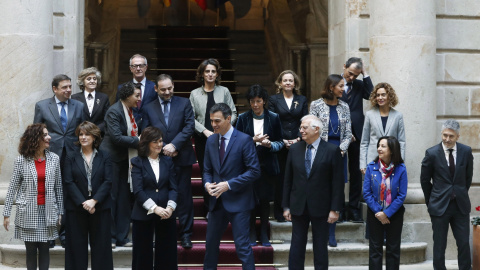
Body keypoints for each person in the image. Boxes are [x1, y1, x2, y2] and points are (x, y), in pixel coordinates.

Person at [203, 103, 260, 270]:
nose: (213, 125)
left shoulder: (244, 139)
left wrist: (228, 185)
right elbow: (207, 170)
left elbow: (254, 171)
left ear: (229, 119)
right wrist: (207, 184)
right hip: (216, 202)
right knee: (210, 246)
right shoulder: (211, 140)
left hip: (239, 202)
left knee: (242, 247)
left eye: (217, 121)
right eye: (211, 121)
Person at [283, 115, 344, 270]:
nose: (301, 131)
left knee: (320, 247)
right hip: (298, 205)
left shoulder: (332, 150)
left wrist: (334, 209)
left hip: (322, 207)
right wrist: (286, 206)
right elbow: (288, 180)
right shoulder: (295, 149)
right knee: (296, 247)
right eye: (300, 127)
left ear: (316, 129)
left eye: (304, 127)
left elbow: (337, 183)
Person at [141, 74, 196, 248]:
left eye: (170, 88)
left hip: (181, 156)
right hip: (159, 158)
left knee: (184, 195)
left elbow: (189, 126)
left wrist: (174, 145)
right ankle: (165, 232)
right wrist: (161, 148)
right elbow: (147, 131)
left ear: (173, 86)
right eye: (163, 89)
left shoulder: (184, 103)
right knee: (162, 195)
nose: (167, 92)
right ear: (156, 89)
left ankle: (186, 233)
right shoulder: (148, 107)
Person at [33, 74, 85, 248]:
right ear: (55, 89)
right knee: (50, 193)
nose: (69, 90)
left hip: (73, 155)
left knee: (69, 193)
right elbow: (36, 132)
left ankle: (65, 234)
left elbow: (83, 131)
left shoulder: (79, 106)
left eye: (70, 86)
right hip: (49, 156)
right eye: (64, 87)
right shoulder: (42, 106)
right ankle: (49, 234)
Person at [3, 123, 63, 270]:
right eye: (45, 135)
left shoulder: (54, 159)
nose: (49, 137)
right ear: (36, 138)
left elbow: (58, 187)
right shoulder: (21, 160)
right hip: (27, 212)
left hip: (47, 211)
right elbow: (12, 188)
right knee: (30, 252)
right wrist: (6, 214)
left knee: (44, 250)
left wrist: (60, 211)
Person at [421, 119, 474, 270]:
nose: (447, 139)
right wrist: (431, 201)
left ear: (458, 136)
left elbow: (467, 178)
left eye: (451, 136)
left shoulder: (466, 151)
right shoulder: (431, 153)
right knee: (439, 244)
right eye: (445, 135)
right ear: (441, 134)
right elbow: (425, 181)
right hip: (439, 206)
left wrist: (459, 192)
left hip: (460, 206)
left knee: (463, 243)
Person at [236, 84, 284, 246]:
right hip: (248, 166)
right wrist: (252, 141)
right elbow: (236, 144)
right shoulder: (242, 119)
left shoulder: (274, 117)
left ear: (264, 101)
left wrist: (270, 145)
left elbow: (281, 142)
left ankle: (263, 232)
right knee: (250, 200)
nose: (255, 105)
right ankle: (250, 232)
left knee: (264, 201)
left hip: (267, 165)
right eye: (252, 101)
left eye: (258, 101)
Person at [189, 58, 237, 215]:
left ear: (217, 74)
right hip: (204, 139)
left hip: (224, 138)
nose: (210, 74)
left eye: (213, 71)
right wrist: (204, 131)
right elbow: (190, 118)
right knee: (207, 172)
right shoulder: (194, 94)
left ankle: (225, 206)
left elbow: (233, 113)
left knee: (225, 171)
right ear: (202, 74)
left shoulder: (224, 91)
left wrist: (225, 127)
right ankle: (210, 208)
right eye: (207, 71)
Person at [63, 121, 113, 270]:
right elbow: (69, 182)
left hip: (100, 207)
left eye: (87, 134)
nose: (83, 137)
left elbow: (108, 181)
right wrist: (84, 202)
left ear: (94, 136)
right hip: (77, 208)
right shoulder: (70, 156)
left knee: (102, 248)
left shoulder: (105, 156)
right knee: (76, 249)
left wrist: (94, 201)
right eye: (81, 134)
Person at [309, 74, 352, 247]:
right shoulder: (316, 105)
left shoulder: (345, 106)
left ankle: (332, 233)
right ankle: (320, 232)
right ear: (331, 87)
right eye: (341, 86)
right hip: (320, 153)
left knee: (336, 191)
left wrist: (341, 149)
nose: (343, 89)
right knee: (320, 191)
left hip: (339, 153)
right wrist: (323, 151)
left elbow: (349, 133)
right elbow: (311, 129)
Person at [130, 127, 178, 270]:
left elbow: (173, 188)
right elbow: (138, 191)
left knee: (167, 255)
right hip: (144, 213)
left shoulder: (168, 161)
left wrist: (170, 207)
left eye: (161, 141)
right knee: (142, 255)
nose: (159, 144)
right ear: (146, 143)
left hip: (166, 214)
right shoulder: (137, 162)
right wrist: (155, 208)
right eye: (155, 142)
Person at [100, 82, 141, 248]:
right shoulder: (114, 111)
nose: (139, 99)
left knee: (124, 199)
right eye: (136, 95)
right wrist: (139, 141)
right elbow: (116, 138)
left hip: (124, 160)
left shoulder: (130, 110)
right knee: (112, 198)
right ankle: (110, 237)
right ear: (127, 96)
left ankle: (122, 238)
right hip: (111, 159)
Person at [268, 70, 308, 222]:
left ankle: (296, 210)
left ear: (295, 83)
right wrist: (282, 140)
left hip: (299, 143)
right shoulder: (273, 99)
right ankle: (280, 211)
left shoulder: (302, 99)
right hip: (280, 144)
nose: (288, 83)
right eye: (285, 80)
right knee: (281, 179)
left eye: (291, 80)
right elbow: (271, 121)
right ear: (280, 83)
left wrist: (299, 139)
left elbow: (305, 120)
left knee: (297, 177)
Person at [363, 136, 407, 270]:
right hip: (375, 213)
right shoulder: (371, 167)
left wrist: (387, 213)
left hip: (395, 214)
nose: (379, 149)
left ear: (392, 150)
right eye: (379, 146)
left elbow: (402, 195)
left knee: (393, 249)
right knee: (375, 249)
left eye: (383, 146)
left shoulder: (401, 169)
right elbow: (366, 193)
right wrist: (379, 212)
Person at [340, 57, 373, 222]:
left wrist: (365, 74)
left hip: (357, 134)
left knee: (356, 172)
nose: (352, 78)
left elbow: (371, 95)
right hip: (337, 134)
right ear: (344, 67)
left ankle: (354, 209)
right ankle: (338, 208)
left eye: (356, 75)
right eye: (351, 73)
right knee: (338, 172)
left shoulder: (360, 85)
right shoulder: (334, 81)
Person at [360, 82, 405, 173]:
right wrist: (363, 164)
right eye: (378, 95)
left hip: (392, 162)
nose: (380, 98)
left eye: (383, 95)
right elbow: (364, 142)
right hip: (372, 160)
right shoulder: (369, 115)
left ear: (389, 96)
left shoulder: (398, 116)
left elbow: (401, 142)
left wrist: (401, 162)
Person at [117, 54, 157, 123]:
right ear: (130, 68)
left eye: (141, 65)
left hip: (149, 127)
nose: (138, 69)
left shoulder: (154, 87)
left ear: (146, 67)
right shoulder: (122, 88)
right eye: (135, 66)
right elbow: (118, 110)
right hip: (129, 127)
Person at [71, 67, 110, 136]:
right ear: (82, 82)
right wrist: (83, 130)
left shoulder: (104, 97)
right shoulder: (75, 98)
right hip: (81, 135)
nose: (92, 81)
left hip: (99, 135)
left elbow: (107, 119)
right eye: (89, 79)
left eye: (94, 79)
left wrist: (95, 130)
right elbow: (73, 119)